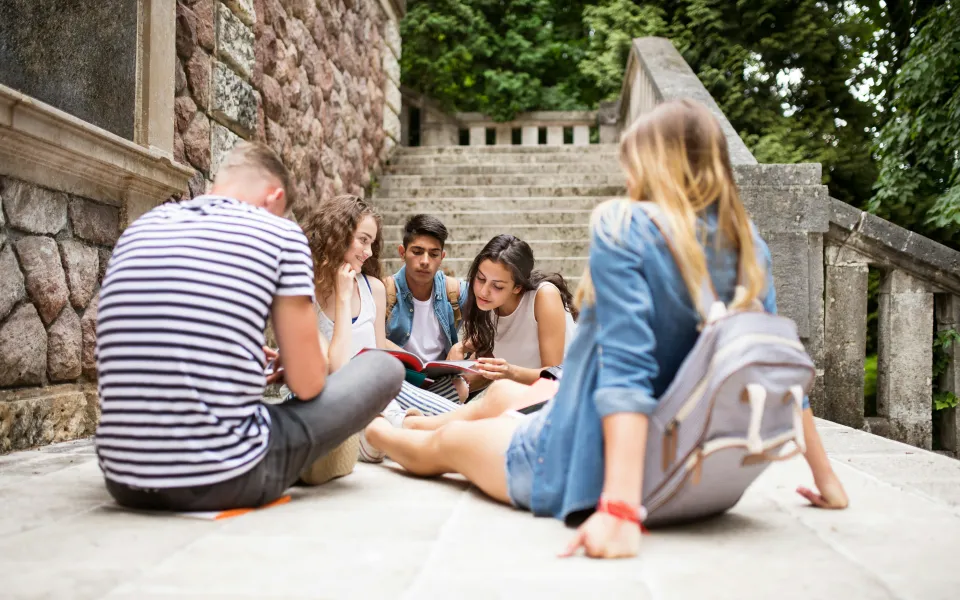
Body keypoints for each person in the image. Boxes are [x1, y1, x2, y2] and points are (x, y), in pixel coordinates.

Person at [360, 99, 848, 559]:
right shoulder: (746, 244)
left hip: (589, 469)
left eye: (633, 160)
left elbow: (625, 371)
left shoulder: (628, 226)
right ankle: (407, 422)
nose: (627, 174)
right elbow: (774, 362)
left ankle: (371, 430)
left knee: (447, 447)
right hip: (697, 480)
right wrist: (826, 479)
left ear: (653, 163)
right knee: (502, 402)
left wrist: (617, 509)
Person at [94, 142, 404, 512]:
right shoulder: (280, 235)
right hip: (225, 477)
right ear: (274, 195)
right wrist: (299, 362)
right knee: (384, 367)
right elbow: (309, 385)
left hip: (123, 478)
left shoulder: (141, 228)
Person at [295, 195, 469, 461]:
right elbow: (336, 370)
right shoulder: (303, 292)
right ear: (337, 234)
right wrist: (342, 299)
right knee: (405, 420)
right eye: (363, 240)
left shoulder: (373, 288)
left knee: (458, 417)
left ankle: (397, 425)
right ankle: (395, 429)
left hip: (374, 392)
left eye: (372, 243)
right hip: (327, 393)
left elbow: (377, 363)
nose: (368, 252)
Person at [383, 214, 469, 400]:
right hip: (397, 382)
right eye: (417, 251)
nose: (425, 261)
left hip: (439, 382)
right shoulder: (384, 292)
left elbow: (491, 320)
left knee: (461, 387)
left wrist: (462, 346)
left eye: (433, 254)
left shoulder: (454, 291)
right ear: (402, 252)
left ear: (442, 257)